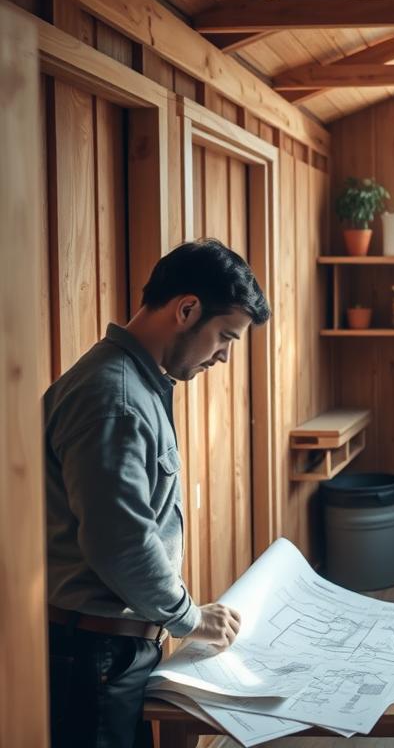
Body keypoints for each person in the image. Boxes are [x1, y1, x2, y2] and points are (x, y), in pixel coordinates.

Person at [44, 239, 271, 748]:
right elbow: (119, 542)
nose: (225, 356)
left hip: (106, 648)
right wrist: (190, 616)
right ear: (187, 309)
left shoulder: (132, 386)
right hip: (96, 654)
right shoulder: (116, 399)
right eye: (224, 337)